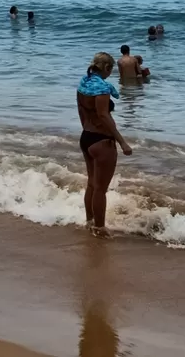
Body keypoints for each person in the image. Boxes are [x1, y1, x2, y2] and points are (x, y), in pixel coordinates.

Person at [77, 52, 132, 237]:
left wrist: (87, 130)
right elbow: (103, 115)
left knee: (92, 184)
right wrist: (121, 141)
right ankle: (99, 228)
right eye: (111, 70)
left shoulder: (84, 84)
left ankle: (90, 221)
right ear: (107, 68)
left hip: (86, 136)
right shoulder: (101, 89)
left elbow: (82, 113)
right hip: (102, 141)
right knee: (101, 188)